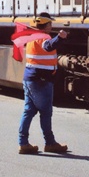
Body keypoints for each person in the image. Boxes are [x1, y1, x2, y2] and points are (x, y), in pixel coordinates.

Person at [17, 12, 69, 154]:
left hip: (30, 79)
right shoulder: (43, 37)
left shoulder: (32, 37)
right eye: (50, 24)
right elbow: (48, 46)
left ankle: (23, 143)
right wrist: (60, 37)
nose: (51, 26)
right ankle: (50, 143)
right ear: (45, 25)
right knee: (46, 112)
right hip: (41, 81)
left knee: (29, 111)